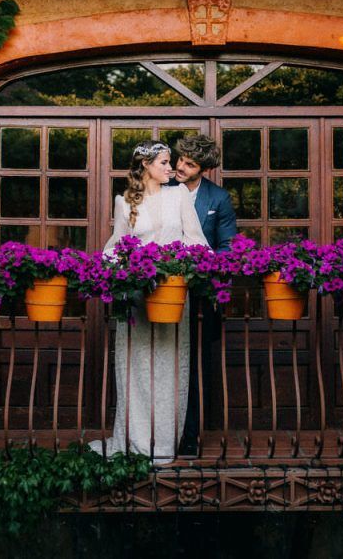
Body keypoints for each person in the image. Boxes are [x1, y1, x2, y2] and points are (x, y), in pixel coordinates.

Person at [90, 140, 209, 461]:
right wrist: (114, 271)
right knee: (138, 369)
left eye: (170, 162)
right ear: (146, 165)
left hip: (171, 293)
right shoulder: (124, 201)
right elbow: (116, 247)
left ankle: (164, 444)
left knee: (169, 369)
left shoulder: (178, 195)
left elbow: (196, 240)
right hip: (138, 299)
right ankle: (137, 441)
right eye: (164, 162)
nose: (171, 168)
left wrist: (184, 264)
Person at [172, 135, 237, 456]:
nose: (181, 167)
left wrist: (204, 267)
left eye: (190, 164)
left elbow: (228, 247)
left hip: (199, 298)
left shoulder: (218, 198)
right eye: (180, 159)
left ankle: (190, 436)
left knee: (196, 366)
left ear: (204, 169)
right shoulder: (162, 188)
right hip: (162, 294)